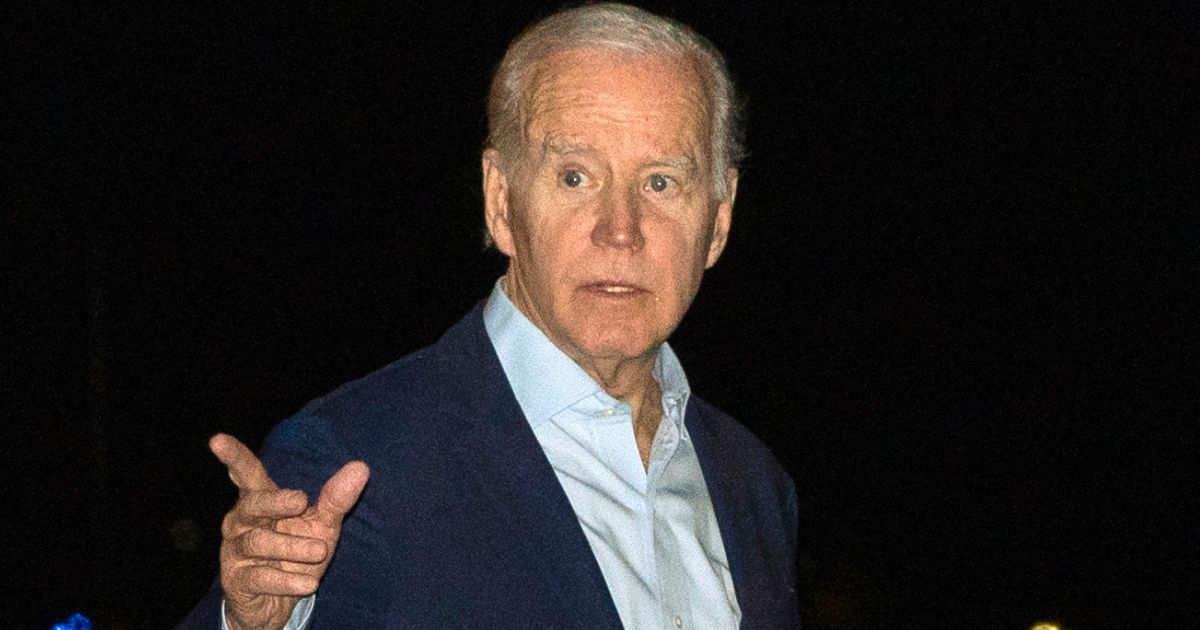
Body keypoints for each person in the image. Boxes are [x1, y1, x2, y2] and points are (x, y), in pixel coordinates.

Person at [178, 3, 800, 628]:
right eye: (576, 176)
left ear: (718, 221)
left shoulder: (754, 483)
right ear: (501, 201)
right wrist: (251, 622)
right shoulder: (352, 463)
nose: (621, 232)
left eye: (661, 183)